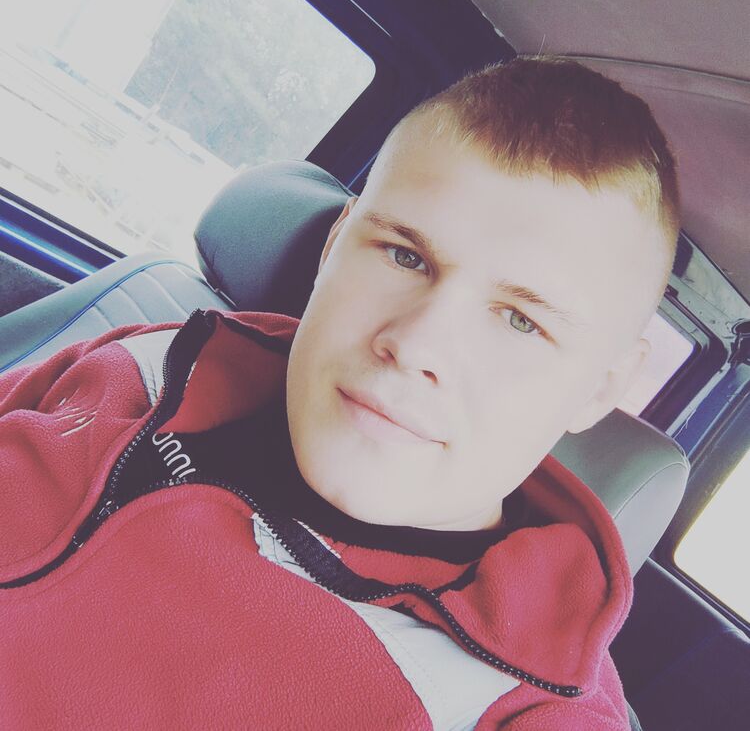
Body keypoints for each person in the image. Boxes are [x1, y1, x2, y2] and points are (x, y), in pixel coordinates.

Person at [0, 56, 678, 729]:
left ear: (600, 387)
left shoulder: (516, 707)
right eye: (405, 256)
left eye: (521, 320)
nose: (415, 345)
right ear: (332, 248)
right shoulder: (149, 360)